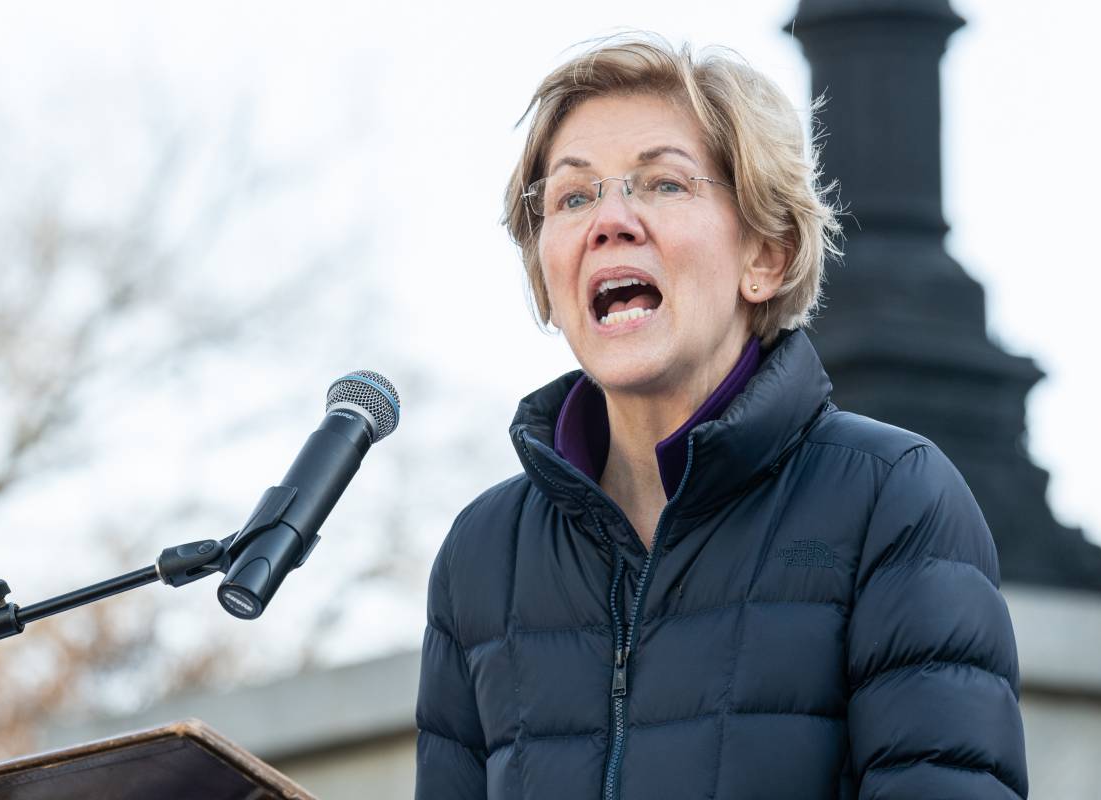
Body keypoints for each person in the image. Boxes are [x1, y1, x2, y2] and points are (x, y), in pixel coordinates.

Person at [414, 35, 1028, 799]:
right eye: (573, 197)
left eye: (663, 184)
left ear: (765, 256)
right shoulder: (483, 556)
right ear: (547, 272)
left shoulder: (892, 500)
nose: (612, 218)